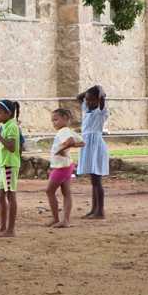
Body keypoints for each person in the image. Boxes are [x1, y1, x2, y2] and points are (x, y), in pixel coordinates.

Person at [76, 85, 110, 219]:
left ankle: (100, 211)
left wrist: (99, 88)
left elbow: (102, 98)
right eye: (88, 100)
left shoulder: (101, 112)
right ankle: (93, 209)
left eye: (92, 100)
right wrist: (89, 91)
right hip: (88, 147)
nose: (89, 102)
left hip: (96, 148)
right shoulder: (87, 110)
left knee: (97, 181)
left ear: (98, 100)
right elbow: (79, 97)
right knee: (93, 182)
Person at [47, 108, 84, 228]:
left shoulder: (63, 131)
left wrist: (61, 150)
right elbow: (82, 143)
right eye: (53, 120)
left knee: (49, 191)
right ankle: (65, 220)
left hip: (61, 167)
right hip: (66, 165)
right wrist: (65, 149)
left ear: (65, 119)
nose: (54, 123)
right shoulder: (68, 131)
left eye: (56, 120)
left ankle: (56, 218)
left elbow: (70, 141)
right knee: (66, 193)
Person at [0, 99, 22, 237]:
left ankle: (10, 229)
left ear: (8, 113)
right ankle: (3, 227)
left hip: (9, 164)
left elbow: (11, 147)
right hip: (4, 164)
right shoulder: (6, 125)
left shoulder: (12, 126)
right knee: (1, 195)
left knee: (10, 195)